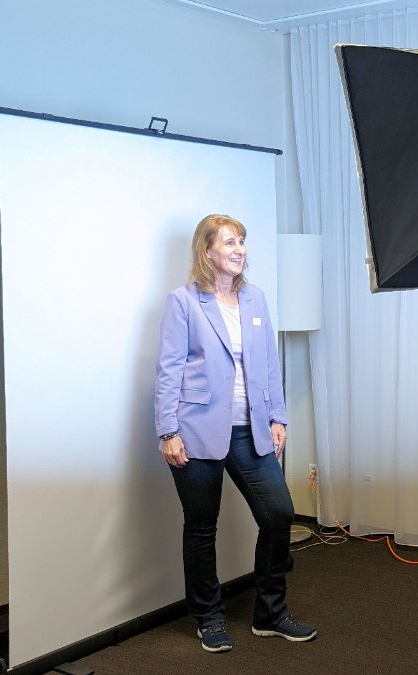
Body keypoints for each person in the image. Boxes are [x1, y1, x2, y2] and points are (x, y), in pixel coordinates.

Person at [155, 214, 316, 653]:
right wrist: (168, 429)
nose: (239, 248)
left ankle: (271, 613)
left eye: (242, 241)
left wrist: (278, 417)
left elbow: (268, 364)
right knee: (202, 527)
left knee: (279, 513)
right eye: (229, 242)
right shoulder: (184, 302)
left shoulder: (256, 300)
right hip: (196, 431)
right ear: (207, 252)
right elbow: (168, 370)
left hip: (251, 431)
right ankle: (209, 618)